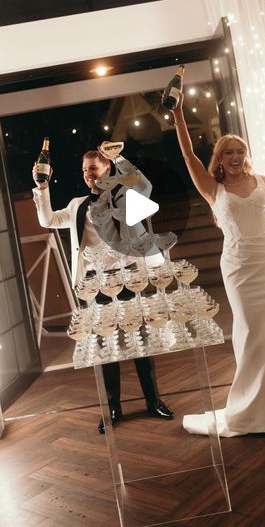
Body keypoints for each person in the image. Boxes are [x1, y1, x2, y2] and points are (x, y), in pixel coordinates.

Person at [172, 93, 265, 437]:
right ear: (219, 158)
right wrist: (178, 115)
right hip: (239, 267)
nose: (236, 157)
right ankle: (256, 407)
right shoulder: (213, 189)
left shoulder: (263, 183)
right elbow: (187, 154)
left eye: (240, 151)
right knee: (254, 335)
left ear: (246, 156)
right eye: (229, 152)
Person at [32, 146, 173, 433]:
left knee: (141, 342)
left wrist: (119, 158)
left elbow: (145, 185)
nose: (88, 174)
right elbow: (47, 220)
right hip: (95, 284)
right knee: (105, 346)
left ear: (106, 169)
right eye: (84, 170)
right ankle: (112, 406)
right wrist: (43, 188)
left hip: (129, 277)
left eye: (93, 168)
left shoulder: (127, 197)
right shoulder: (77, 205)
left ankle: (153, 400)